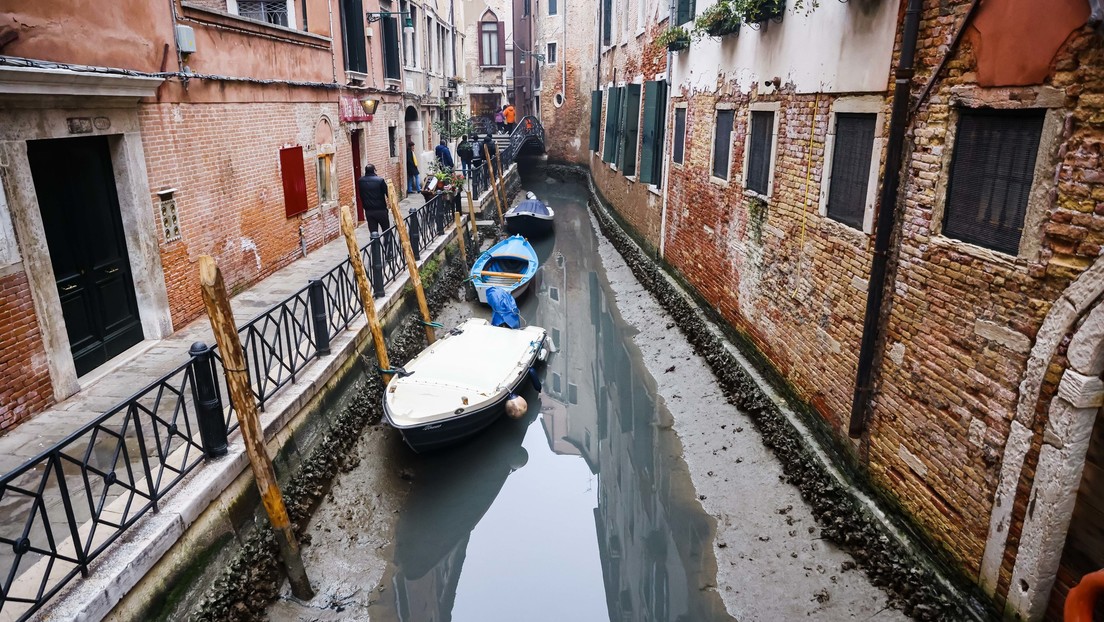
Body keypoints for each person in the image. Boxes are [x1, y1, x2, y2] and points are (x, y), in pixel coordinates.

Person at [357, 164, 390, 233]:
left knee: (373, 233)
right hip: (381, 210)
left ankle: (375, 244)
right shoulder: (380, 180)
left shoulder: (360, 181)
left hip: (369, 211)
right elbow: (388, 194)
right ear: (374, 170)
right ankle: (387, 244)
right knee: (386, 231)